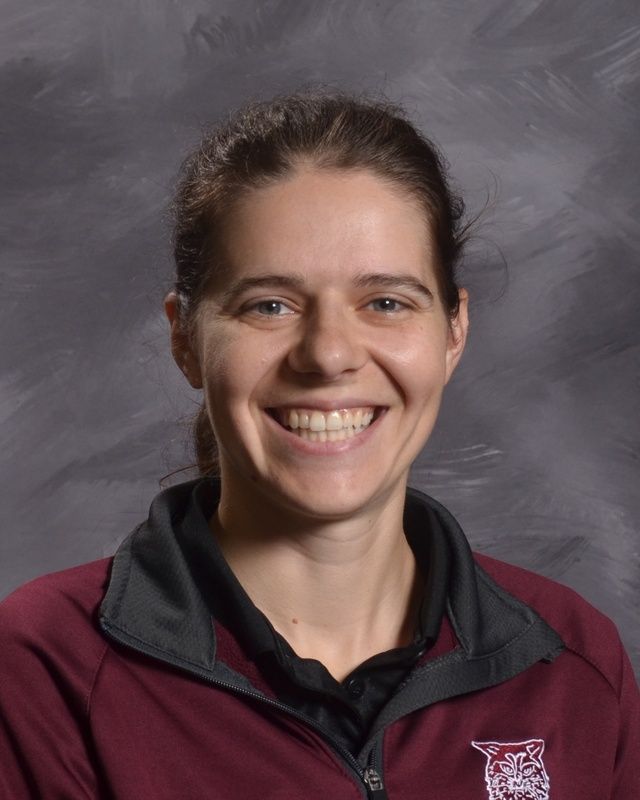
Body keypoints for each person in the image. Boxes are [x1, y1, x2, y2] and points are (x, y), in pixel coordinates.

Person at [0, 89, 638, 800]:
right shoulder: (46, 665)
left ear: (453, 332)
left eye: (386, 302)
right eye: (269, 305)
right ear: (185, 338)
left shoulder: (574, 664)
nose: (329, 354)